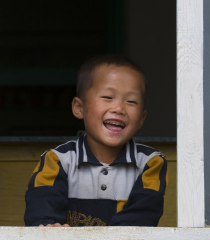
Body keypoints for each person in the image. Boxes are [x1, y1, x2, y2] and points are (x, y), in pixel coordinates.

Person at [24, 54, 167, 227]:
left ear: (141, 119)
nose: (119, 108)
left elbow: (142, 218)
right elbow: (42, 209)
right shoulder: (57, 160)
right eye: (108, 97)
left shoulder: (150, 163)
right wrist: (48, 226)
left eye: (131, 101)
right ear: (79, 108)